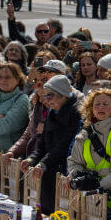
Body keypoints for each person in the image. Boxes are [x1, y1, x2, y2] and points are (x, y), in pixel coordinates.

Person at [67, 88, 111, 206]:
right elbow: (74, 161)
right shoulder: (83, 135)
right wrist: (79, 178)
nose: (101, 107)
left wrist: (98, 187)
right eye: (97, 104)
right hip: (84, 202)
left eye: (105, 104)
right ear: (91, 109)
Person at [22, 74, 81, 212]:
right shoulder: (52, 112)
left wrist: (44, 163)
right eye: (46, 95)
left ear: (63, 95)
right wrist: (32, 159)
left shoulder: (76, 114)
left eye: (51, 96)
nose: (47, 100)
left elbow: (65, 145)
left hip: (64, 172)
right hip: (49, 171)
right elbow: (42, 144)